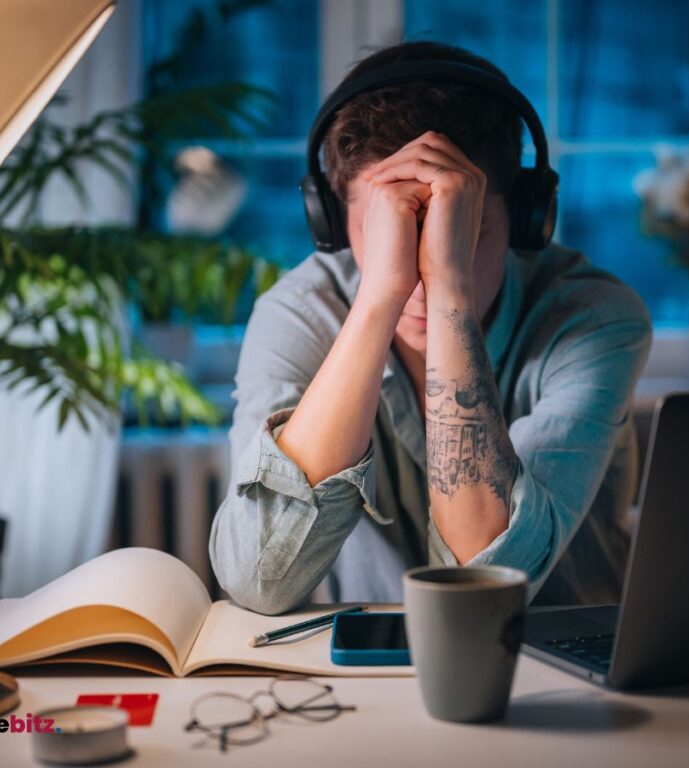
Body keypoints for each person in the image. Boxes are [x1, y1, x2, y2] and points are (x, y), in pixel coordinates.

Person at [209, 41, 652, 615]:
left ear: (524, 219)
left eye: (464, 230)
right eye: (388, 228)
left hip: (556, 678)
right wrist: (377, 301)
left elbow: (487, 586)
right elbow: (258, 579)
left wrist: (452, 289)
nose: (417, 276)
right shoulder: (297, 312)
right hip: (357, 686)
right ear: (332, 222)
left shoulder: (595, 320)